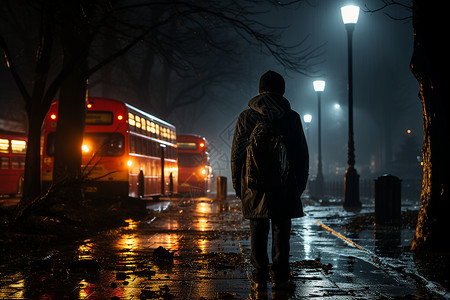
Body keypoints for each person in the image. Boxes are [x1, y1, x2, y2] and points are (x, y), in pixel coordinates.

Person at [230, 70, 309, 291]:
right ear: (282, 90)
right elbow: (302, 154)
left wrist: (238, 184)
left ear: (259, 89)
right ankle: (281, 273)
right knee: (282, 227)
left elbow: (237, 153)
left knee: (257, 225)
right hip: (285, 184)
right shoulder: (291, 117)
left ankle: (259, 273)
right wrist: (299, 184)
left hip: (253, 184)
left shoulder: (246, 117)